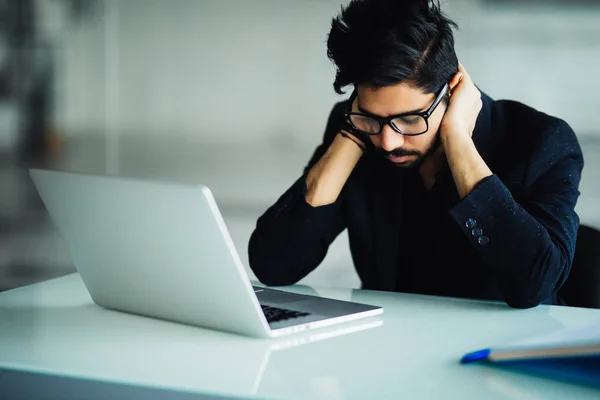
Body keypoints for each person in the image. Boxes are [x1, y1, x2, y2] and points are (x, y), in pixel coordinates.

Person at [248, 0, 584, 308]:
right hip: (393, 349)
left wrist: (458, 141)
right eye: (371, 116)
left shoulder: (541, 141)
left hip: (500, 356)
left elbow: (536, 286)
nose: (389, 141)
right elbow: (274, 266)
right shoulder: (357, 130)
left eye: (410, 119)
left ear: (452, 92)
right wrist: (351, 132)